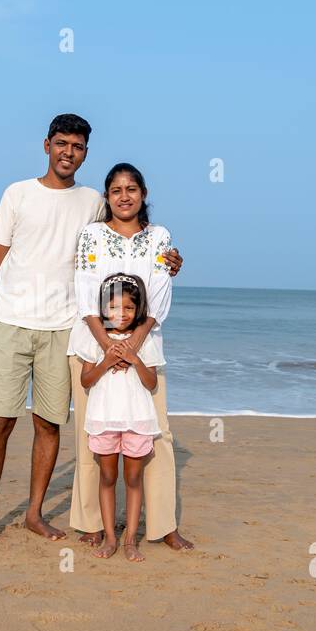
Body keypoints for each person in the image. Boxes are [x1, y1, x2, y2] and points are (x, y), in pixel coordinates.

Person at [0, 116, 183, 543]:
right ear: (46, 145)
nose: (68, 152)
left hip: (63, 329)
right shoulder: (17, 194)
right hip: (15, 322)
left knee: (50, 424)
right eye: (61, 144)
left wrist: (172, 259)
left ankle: (36, 513)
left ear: (85, 152)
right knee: (1, 421)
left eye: (77, 146)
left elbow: (136, 245)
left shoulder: (93, 203)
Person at [67, 162, 193, 550]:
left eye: (132, 189)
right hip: (91, 346)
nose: (124, 196)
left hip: (146, 349)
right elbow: (85, 290)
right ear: (107, 196)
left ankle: (162, 525)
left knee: (158, 435)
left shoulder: (159, 238)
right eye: (117, 189)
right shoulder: (91, 234)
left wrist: (133, 343)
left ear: (143, 194)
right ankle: (92, 524)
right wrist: (108, 345)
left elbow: (159, 292)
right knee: (91, 434)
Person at [75, 274, 164, 561]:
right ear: (103, 309)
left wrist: (135, 359)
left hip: (137, 419)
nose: (121, 314)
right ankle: (110, 537)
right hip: (104, 419)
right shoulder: (94, 339)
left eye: (128, 308)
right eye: (114, 308)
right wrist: (107, 361)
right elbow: (86, 380)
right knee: (108, 476)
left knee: (134, 478)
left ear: (137, 310)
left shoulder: (145, 341)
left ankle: (130, 541)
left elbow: (152, 384)